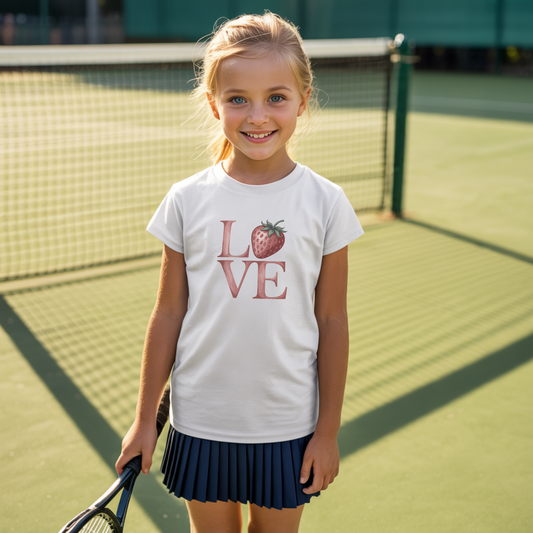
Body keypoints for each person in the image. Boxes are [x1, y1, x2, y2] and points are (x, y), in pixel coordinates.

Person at [116, 12, 364, 533]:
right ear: (214, 104)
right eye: (237, 99)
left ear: (303, 100)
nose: (257, 116)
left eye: (276, 97)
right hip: (201, 421)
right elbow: (168, 313)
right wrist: (143, 421)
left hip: (289, 425)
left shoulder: (327, 203)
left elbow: (333, 322)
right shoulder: (186, 200)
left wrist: (327, 431)